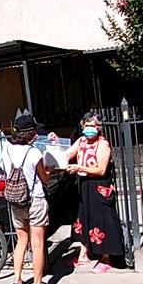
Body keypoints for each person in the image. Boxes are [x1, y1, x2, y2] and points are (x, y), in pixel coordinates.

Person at [51, 111, 124, 273]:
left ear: (98, 128)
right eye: (86, 126)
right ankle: (84, 253)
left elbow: (101, 169)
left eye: (91, 126)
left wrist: (79, 168)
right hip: (83, 187)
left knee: (102, 220)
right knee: (83, 218)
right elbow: (68, 153)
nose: (88, 129)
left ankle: (106, 257)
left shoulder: (103, 144)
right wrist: (56, 143)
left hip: (98, 187)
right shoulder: (81, 141)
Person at [3, 113, 57, 284]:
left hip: (16, 200)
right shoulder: (34, 153)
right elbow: (44, 178)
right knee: (38, 243)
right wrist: (50, 169)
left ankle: (17, 280)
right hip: (34, 199)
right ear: (30, 133)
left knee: (21, 241)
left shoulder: (6, 149)